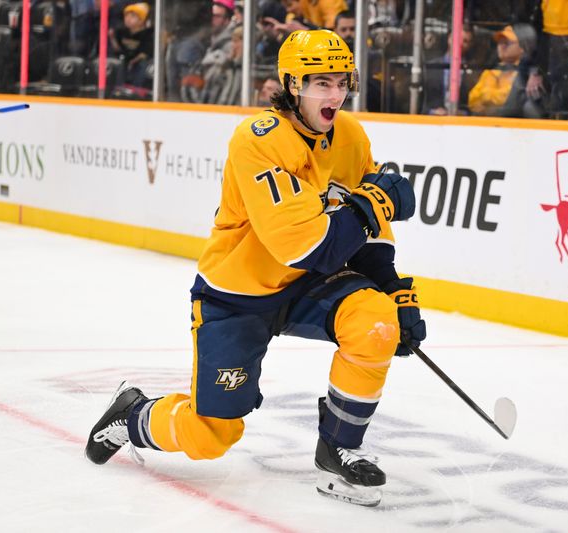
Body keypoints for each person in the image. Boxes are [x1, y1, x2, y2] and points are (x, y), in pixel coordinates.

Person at [85, 29, 425, 508]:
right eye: (319, 82)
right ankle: (132, 415)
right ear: (291, 84)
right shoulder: (257, 140)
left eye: (340, 81)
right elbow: (305, 247)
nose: (334, 94)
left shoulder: (349, 135)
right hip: (238, 293)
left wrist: (392, 289)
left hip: (308, 286)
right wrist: (375, 204)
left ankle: (339, 448)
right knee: (212, 436)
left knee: (374, 324)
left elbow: (363, 233)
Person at [468, 25, 530, 117]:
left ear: (522, 48)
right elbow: (472, 101)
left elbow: (511, 99)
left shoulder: (526, 73)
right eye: (500, 42)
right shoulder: (491, 72)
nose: (502, 46)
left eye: (507, 43)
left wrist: (486, 95)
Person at [109, 2, 154, 89]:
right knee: (119, 63)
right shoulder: (122, 31)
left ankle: (137, 89)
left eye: (132, 16)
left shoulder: (148, 34)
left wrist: (132, 61)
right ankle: (119, 88)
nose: (128, 19)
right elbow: (118, 50)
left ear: (142, 20)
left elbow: (144, 54)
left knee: (142, 65)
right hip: (126, 60)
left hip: (140, 61)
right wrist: (112, 38)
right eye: (126, 16)